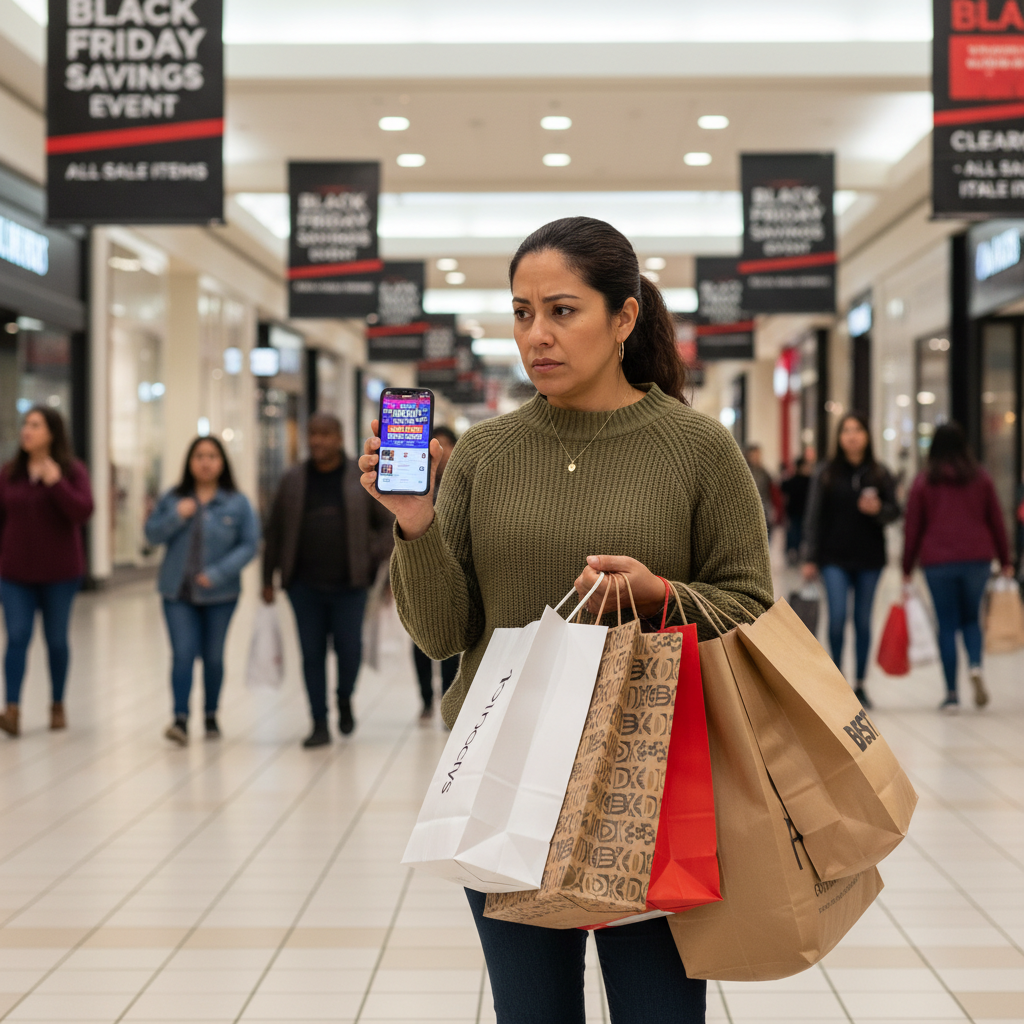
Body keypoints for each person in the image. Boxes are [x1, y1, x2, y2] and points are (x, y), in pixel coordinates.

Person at [359, 216, 773, 1024]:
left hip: (650, 783)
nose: (536, 335)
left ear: (624, 318)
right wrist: (414, 522)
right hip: (504, 782)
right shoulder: (484, 455)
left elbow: (751, 606)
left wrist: (660, 593)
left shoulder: (699, 449)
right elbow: (443, 636)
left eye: (562, 311)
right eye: (522, 313)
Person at [263, 412, 394, 748]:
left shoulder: (360, 476)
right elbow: (275, 531)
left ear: (339, 437)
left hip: (351, 584)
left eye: (325, 434)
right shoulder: (293, 478)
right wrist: (267, 578)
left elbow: (388, 524)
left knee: (350, 651)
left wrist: (371, 555)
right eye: (313, 433)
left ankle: (344, 697)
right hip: (303, 585)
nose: (317, 440)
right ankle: (318, 722)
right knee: (312, 655)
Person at [145, 436, 258, 745]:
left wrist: (219, 573)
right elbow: (151, 535)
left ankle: (210, 714)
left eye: (212, 456)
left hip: (221, 595)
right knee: (182, 654)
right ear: (189, 462)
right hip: (177, 593)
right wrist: (176, 516)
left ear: (222, 463)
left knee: (213, 657)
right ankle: (180, 719)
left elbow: (250, 544)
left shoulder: (237, 502)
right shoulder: (173, 498)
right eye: (199, 456)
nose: (205, 462)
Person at [902, 423, 1013, 712]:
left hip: (938, 562)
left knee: (947, 625)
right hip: (977, 560)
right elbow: (996, 520)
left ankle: (951, 694)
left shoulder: (924, 481)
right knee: (971, 619)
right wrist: (1005, 560)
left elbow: (912, 527)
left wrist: (906, 566)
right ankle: (975, 666)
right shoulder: (981, 477)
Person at [0, 407, 93, 736]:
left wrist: (56, 483)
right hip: (14, 573)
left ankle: (57, 703)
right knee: (17, 636)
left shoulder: (72, 471)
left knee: (56, 640)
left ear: (52, 433)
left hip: (60, 573)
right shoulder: (10, 473)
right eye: (26, 424)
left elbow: (83, 511)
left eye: (35, 425)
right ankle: (12, 708)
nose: (27, 430)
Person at [802, 413, 899, 709]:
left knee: (863, 621)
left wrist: (878, 509)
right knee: (837, 617)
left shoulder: (880, 473)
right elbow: (813, 516)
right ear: (839, 437)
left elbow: (895, 512)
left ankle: (860, 684)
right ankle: (838, 680)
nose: (852, 435)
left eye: (858, 430)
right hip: (833, 557)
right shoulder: (826, 473)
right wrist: (809, 557)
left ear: (867, 436)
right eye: (846, 430)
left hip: (870, 559)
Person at [412, 424, 461, 719]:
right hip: (421, 572)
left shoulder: (461, 484)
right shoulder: (418, 483)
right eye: (435, 447)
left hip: (452, 573)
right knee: (420, 641)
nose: (440, 454)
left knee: (450, 645)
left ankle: (446, 698)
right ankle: (426, 698)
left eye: (445, 446)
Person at [781, 455, 812, 564]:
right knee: (794, 533)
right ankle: (792, 551)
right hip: (794, 512)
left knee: (801, 533)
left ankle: (797, 552)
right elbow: (783, 488)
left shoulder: (810, 481)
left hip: (805, 512)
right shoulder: (795, 480)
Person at [744, 442, 774, 529]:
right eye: (754, 455)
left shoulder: (764, 471)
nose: (757, 457)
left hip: (764, 508)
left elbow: (771, 487)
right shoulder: (745, 471)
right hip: (749, 510)